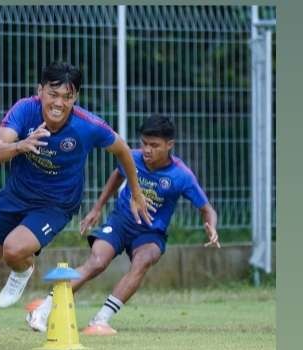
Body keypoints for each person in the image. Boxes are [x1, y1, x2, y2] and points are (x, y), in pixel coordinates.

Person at [0, 62, 152, 347]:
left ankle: (23, 269)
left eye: (67, 96)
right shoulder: (24, 110)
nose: (59, 103)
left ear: (76, 98)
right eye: (53, 94)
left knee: (13, 249)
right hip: (15, 195)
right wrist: (21, 145)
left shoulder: (88, 125)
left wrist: (135, 191)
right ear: (40, 91)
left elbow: (122, 150)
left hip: (56, 204)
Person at [26, 114, 220, 336]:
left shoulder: (181, 175)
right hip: (119, 222)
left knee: (143, 260)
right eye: (144, 143)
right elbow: (117, 175)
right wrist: (97, 208)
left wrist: (211, 227)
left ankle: (101, 320)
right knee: (97, 262)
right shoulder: (133, 158)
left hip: (150, 232)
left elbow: (207, 209)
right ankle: (42, 311)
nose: (147, 150)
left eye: (154, 145)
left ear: (170, 145)